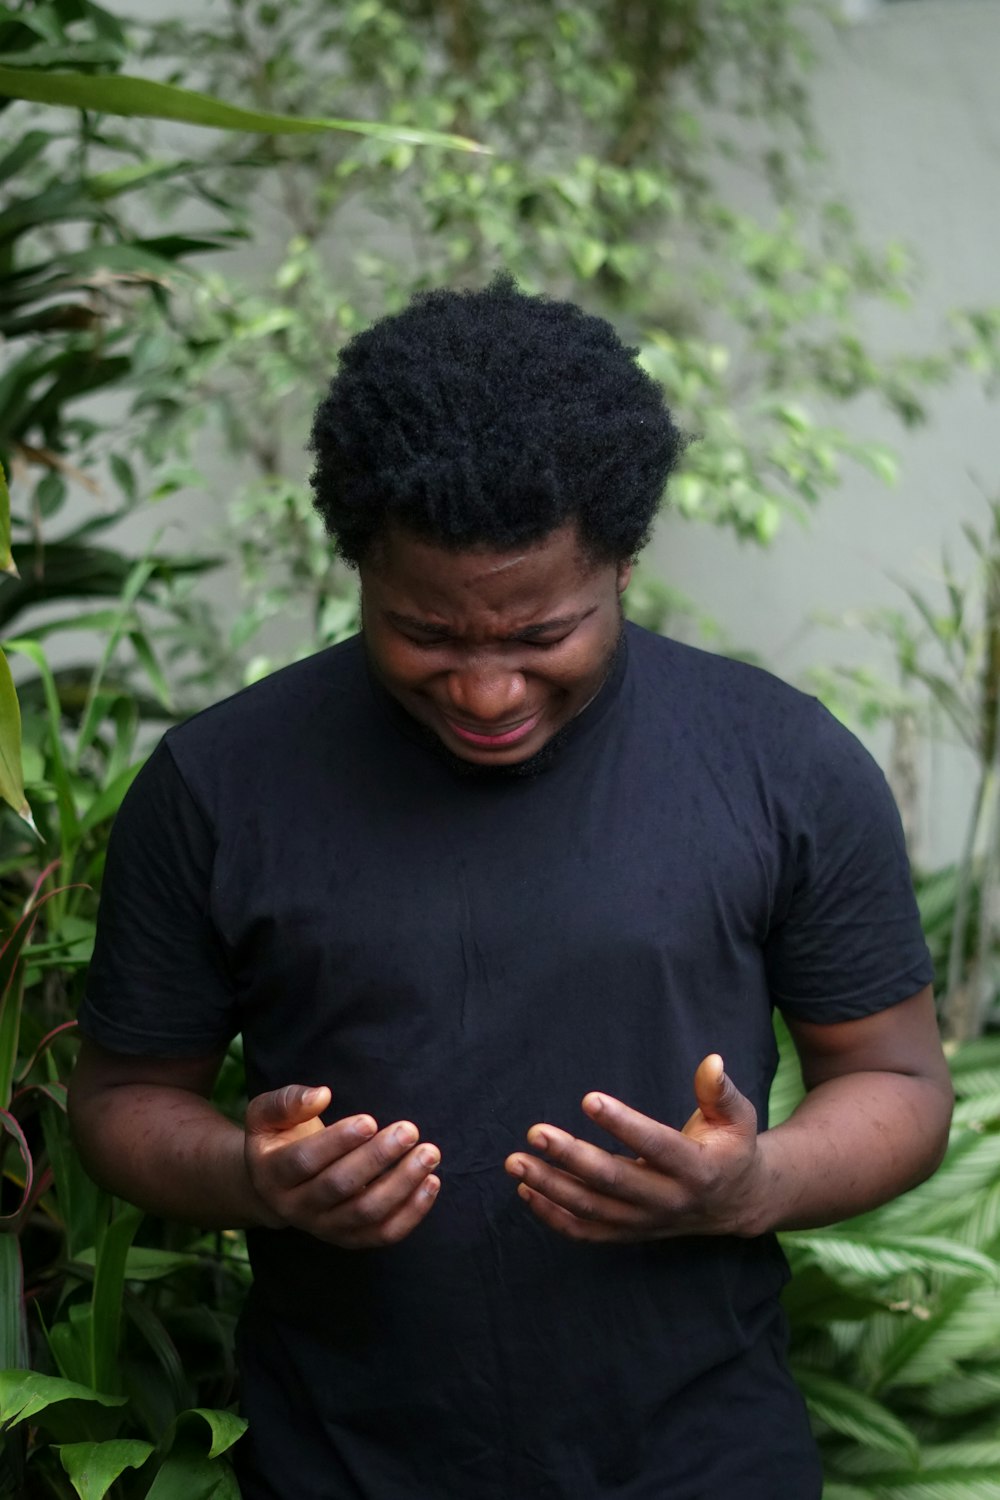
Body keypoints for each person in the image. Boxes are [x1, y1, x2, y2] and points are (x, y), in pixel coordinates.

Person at [68, 278, 953, 1500]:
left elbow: (898, 1083)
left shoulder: (781, 765)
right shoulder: (218, 785)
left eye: (542, 634)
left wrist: (759, 1184)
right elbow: (120, 1099)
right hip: (342, 1463)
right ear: (358, 566)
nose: (487, 691)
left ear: (625, 563)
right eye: (425, 631)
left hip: (699, 1462)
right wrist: (243, 1176)